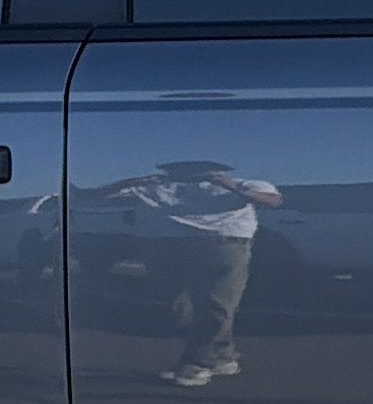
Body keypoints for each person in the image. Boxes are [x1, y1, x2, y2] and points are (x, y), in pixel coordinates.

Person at [113, 160, 283, 385]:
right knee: (173, 299)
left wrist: (230, 186)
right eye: (182, 170)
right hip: (163, 245)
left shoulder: (243, 183)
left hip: (221, 243)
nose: (192, 175)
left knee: (216, 301)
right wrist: (131, 182)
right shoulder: (154, 187)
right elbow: (93, 195)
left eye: (199, 170)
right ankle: (222, 355)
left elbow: (273, 201)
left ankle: (198, 362)